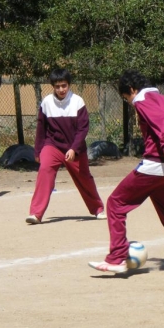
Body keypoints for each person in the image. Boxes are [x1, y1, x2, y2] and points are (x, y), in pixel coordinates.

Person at [88, 70, 164, 274]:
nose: (129, 102)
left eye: (127, 98)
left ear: (132, 90)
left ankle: (117, 258)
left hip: (156, 164)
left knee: (116, 203)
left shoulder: (142, 99)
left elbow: (159, 122)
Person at [27, 68, 106, 224]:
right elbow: (41, 129)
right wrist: (38, 151)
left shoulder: (78, 102)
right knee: (44, 169)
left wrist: (73, 149)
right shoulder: (46, 103)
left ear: (69, 85)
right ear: (53, 87)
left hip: (75, 148)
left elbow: (83, 129)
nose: (61, 89)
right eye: (57, 86)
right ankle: (36, 214)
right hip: (53, 145)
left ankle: (97, 209)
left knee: (84, 178)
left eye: (64, 85)